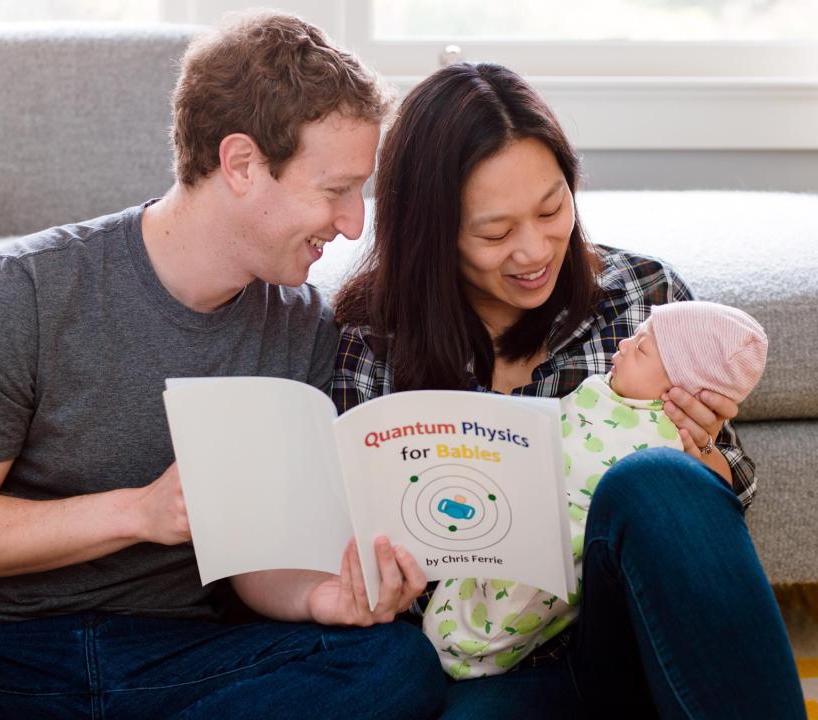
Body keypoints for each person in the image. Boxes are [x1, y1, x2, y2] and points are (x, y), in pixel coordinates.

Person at [0, 12, 446, 719]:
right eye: (334, 190)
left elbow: (258, 560)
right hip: (3, 655)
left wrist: (318, 595)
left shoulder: (301, 326)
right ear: (242, 165)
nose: (353, 223)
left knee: (394, 662)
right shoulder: (28, 289)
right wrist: (138, 513)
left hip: (177, 659)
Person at [332, 62, 806, 718]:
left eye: (553, 209)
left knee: (657, 481)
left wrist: (705, 464)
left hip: (627, 637)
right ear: (433, 234)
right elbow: (353, 550)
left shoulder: (642, 297)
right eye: (496, 233)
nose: (534, 251)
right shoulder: (375, 340)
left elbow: (714, 505)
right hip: (484, 668)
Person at [426, 301, 769, 680]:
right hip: (494, 526)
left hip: (575, 582)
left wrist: (703, 453)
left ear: (682, 390)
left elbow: (730, 496)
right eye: (496, 236)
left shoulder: (671, 439)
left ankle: (471, 647)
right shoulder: (598, 391)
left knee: (517, 601)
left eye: (640, 348)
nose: (623, 345)